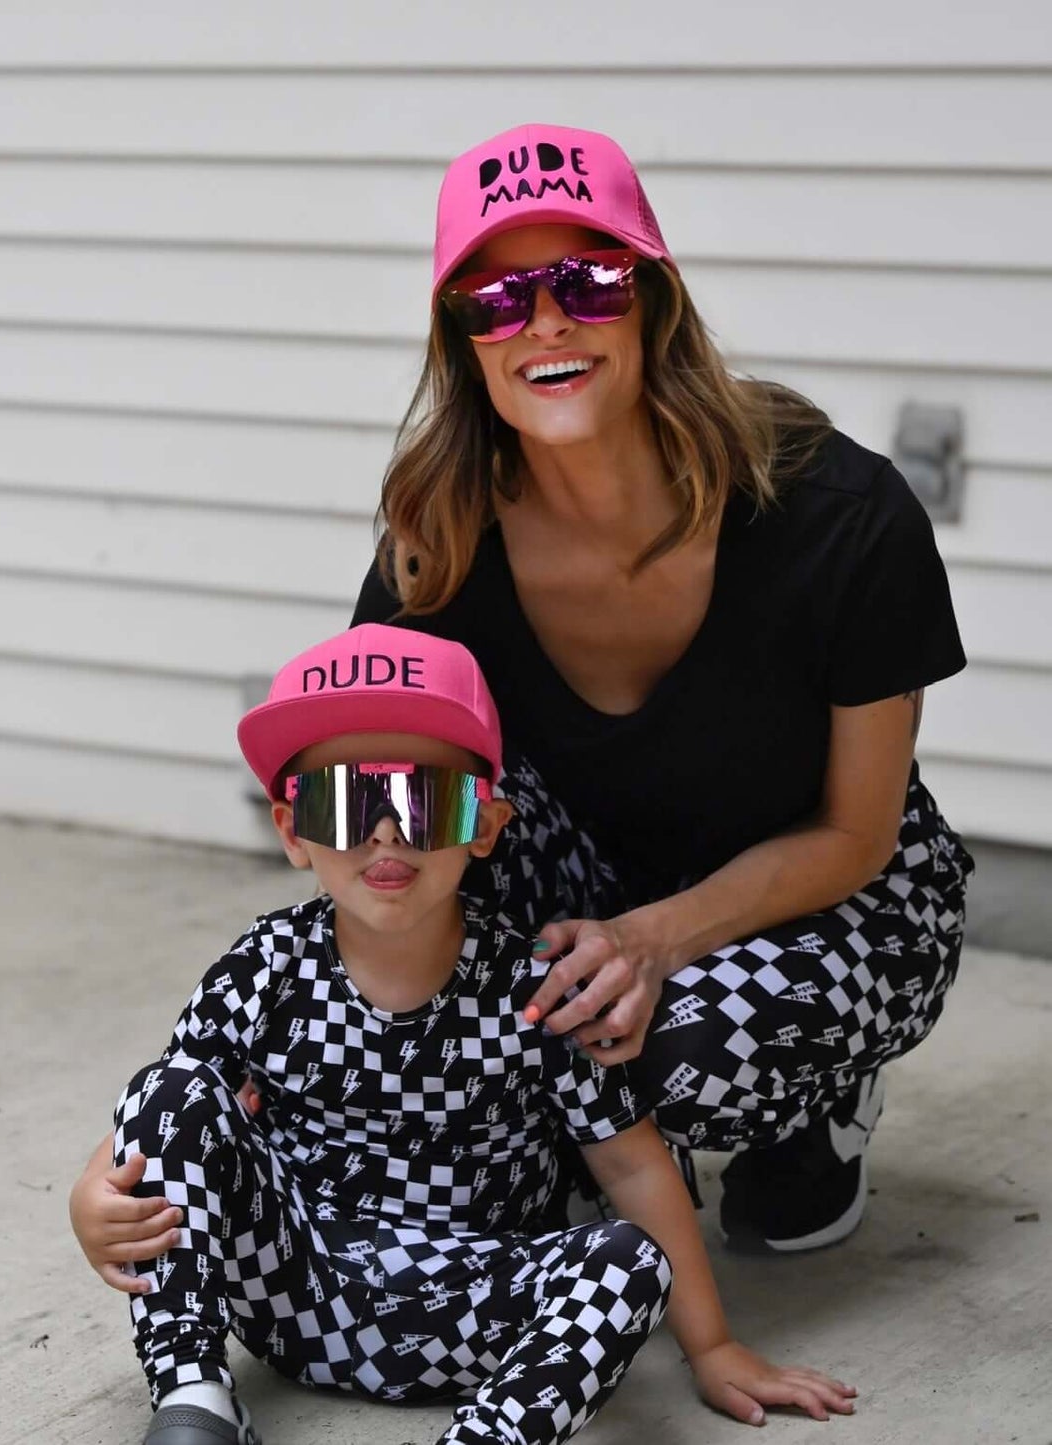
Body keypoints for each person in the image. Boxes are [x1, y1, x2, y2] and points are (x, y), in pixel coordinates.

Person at [344, 122, 974, 1253]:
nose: (541, 319)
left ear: (651, 302)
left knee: (673, 1060)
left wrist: (652, 940)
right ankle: (588, 1122)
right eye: (495, 298)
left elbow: (854, 830)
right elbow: (383, 808)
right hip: (589, 872)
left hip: (834, 889)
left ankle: (815, 1111)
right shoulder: (439, 537)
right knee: (431, 816)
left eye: (584, 280)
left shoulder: (839, 517)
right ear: (463, 341)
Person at [80, 624, 856, 1445]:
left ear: (483, 826)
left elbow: (629, 1160)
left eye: (422, 800)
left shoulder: (535, 988)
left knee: (628, 1259)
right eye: (344, 803)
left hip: (474, 1306)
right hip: (292, 1282)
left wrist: (712, 1344)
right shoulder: (265, 968)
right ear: (291, 829)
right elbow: (167, 1112)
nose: (384, 833)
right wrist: (89, 1193)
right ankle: (195, 1398)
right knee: (171, 1084)